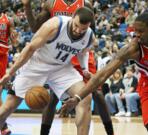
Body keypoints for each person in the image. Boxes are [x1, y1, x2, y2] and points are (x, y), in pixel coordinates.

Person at [61, 12, 148, 135]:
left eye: (141, 31)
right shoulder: (132, 49)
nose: (136, 34)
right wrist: (78, 97)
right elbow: (103, 74)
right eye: (135, 30)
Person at [21, 0, 114, 135]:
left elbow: (90, 31)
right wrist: (27, 6)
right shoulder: (51, 4)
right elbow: (35, 28)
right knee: (53, 98)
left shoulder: (85, 4)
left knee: (97, 93)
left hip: (78, 49)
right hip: (59, 51)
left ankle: (110, 132)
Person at [0, 7, 94, 135]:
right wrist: (10, 73)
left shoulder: (89, 36)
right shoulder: (55, 25)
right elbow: (30, 48)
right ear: (72, 18)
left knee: (85, 97)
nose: (78, 31)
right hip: (37, 64)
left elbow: (83, 52)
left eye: (83, 29)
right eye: (76, 26)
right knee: (7, 108)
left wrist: (84, 69)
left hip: (61, 68)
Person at [0, 2, 19, 135]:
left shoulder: (8, 20)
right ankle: (3, 125)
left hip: (2, 55)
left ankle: (3, 125)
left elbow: (15, 42)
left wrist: (14, 37)